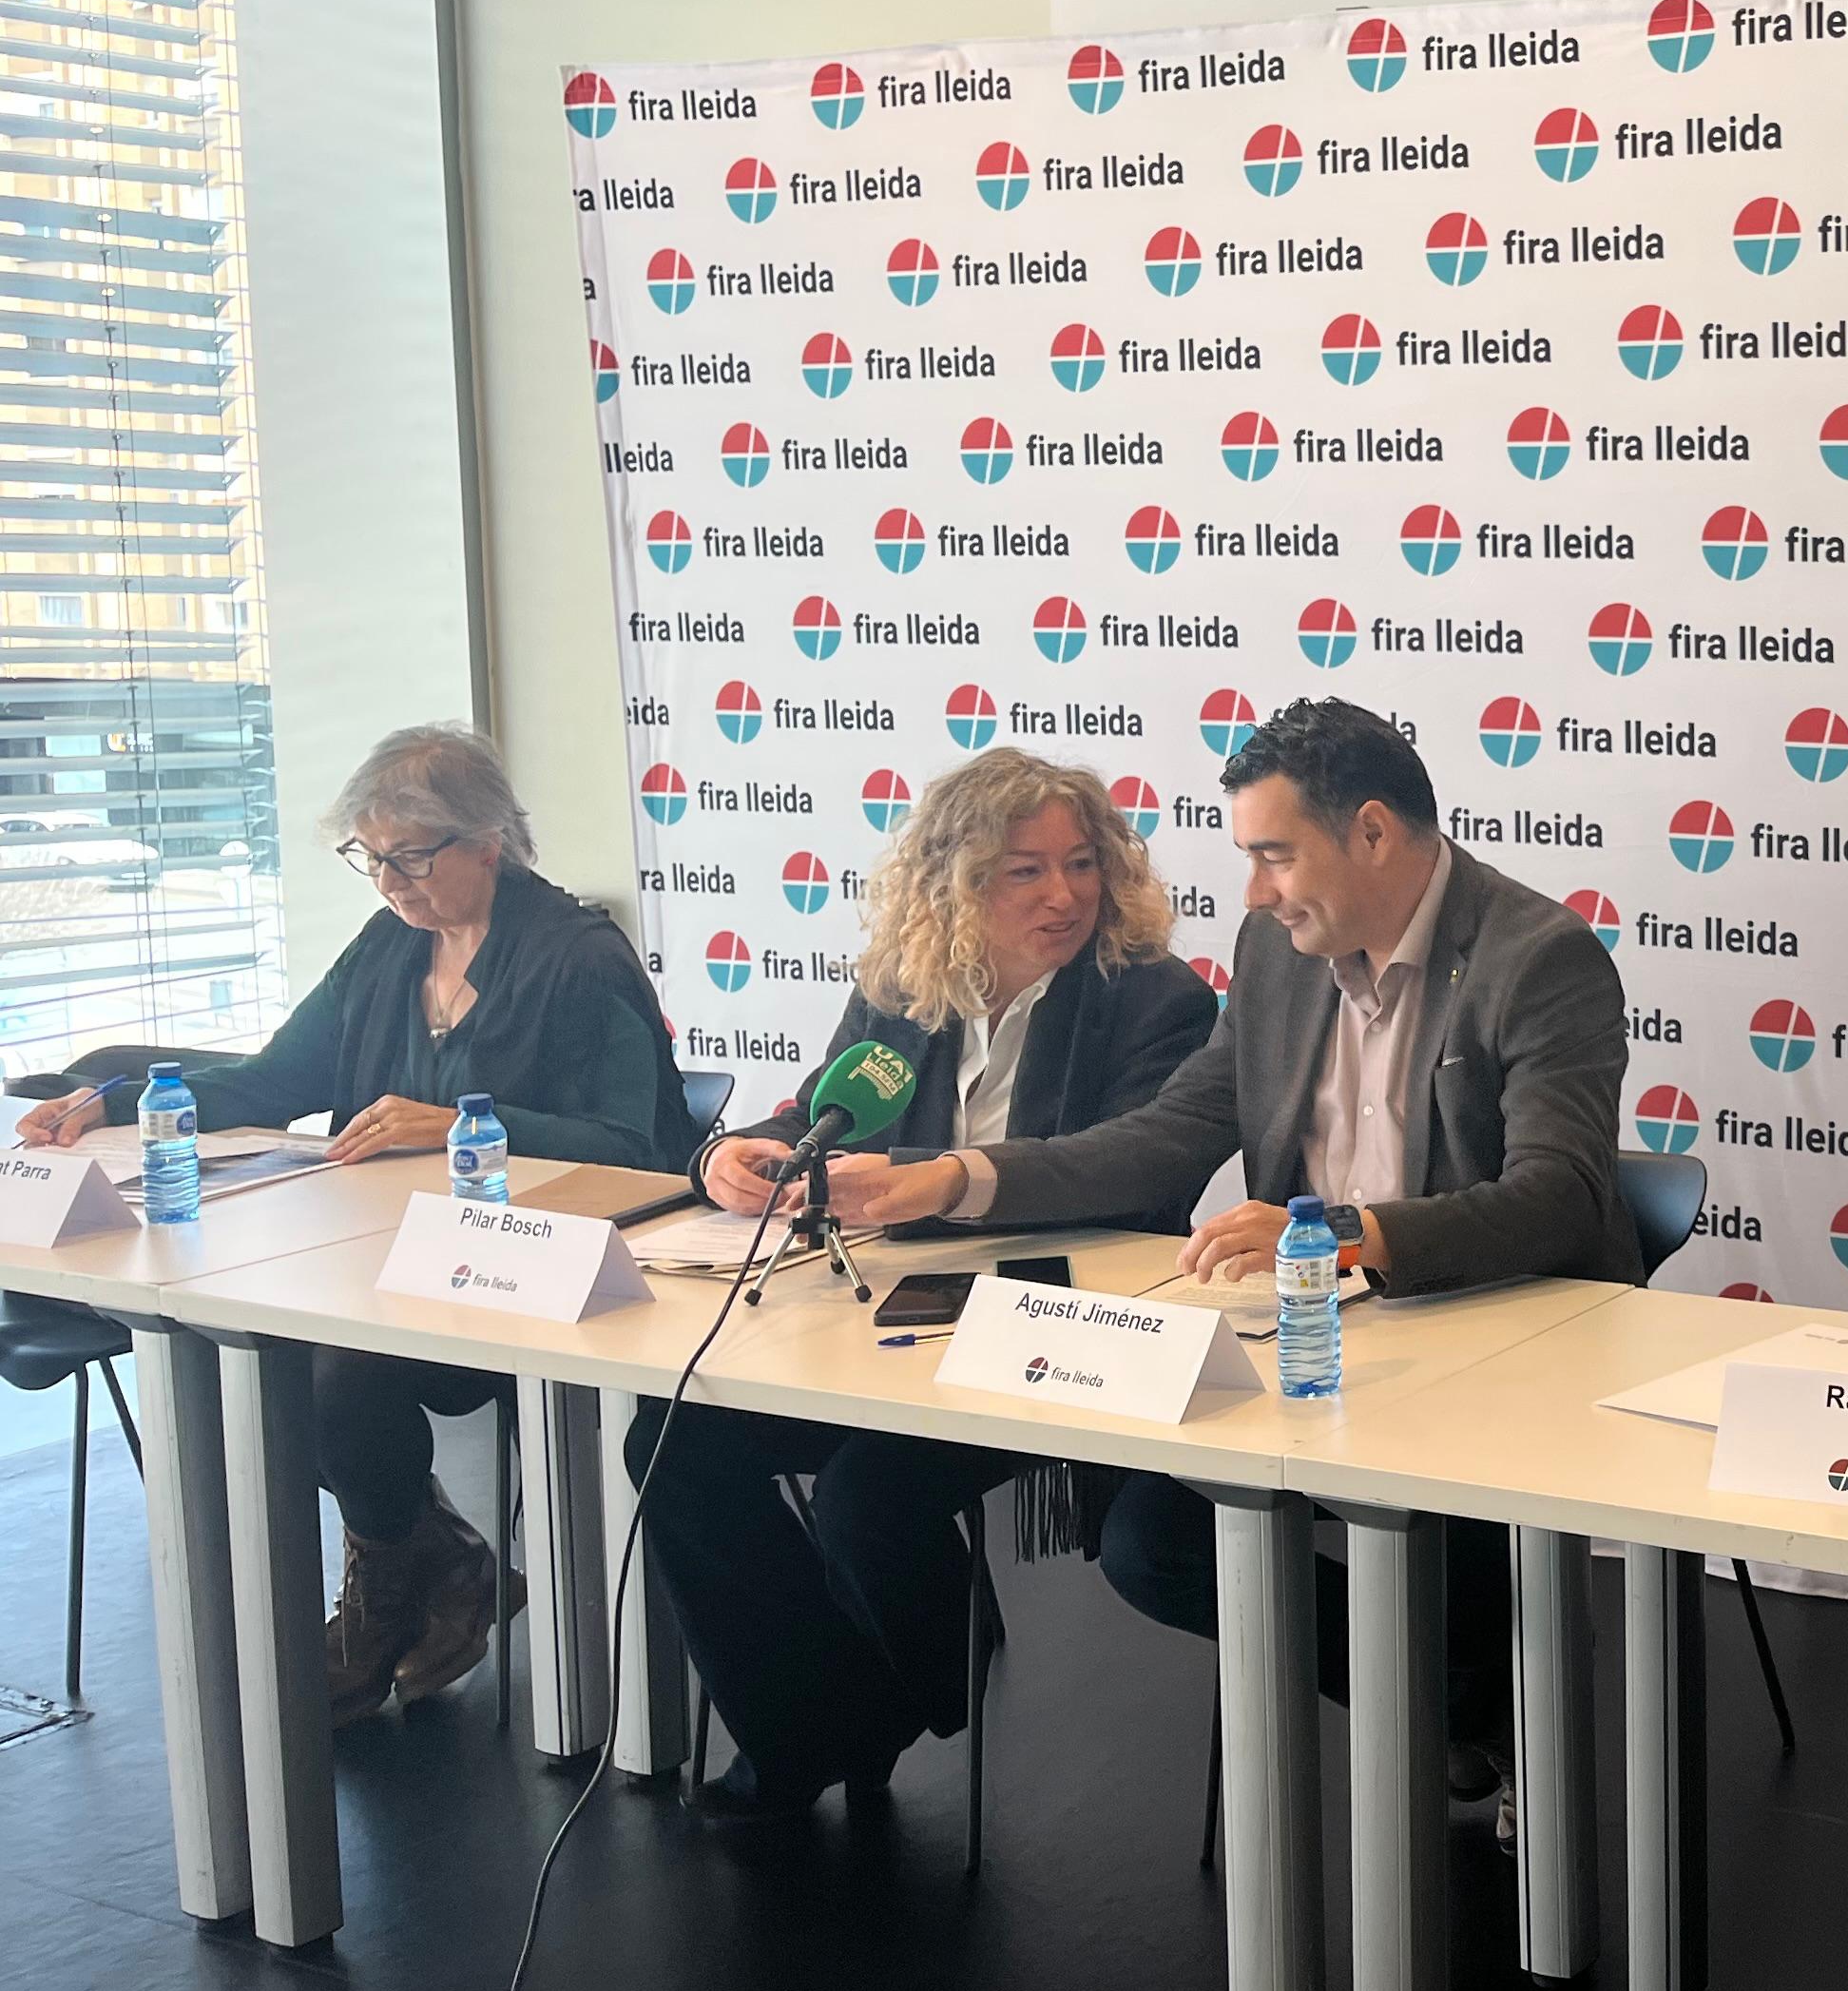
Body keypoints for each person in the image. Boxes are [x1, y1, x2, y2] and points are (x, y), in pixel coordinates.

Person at [819, 696, 1636, 1788]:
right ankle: (1460, 1700)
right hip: (1322, 1341)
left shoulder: (1537, 957)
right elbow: (1166, 1136)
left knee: (1459, 1553)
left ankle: (1487, 1708)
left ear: (1373, 833)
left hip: (1502, 1343)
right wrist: (962, 1175)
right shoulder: (1278, 951)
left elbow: (1561, 1196)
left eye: (1273, 856)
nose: (1253, 892)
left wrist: (1341, 1234)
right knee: (1149, 1543)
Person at [19, 724, 694, 1726]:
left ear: (487, 843)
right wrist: (112, 1102)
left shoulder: (577, 957)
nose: (388, 883)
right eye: (370, 858)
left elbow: (639, 1149)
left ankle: (404, 1569)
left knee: (327, 1370)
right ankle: (424, 1555)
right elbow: (274, 1081)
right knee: (255, 1349)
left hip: (538, 1272)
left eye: (410, 859)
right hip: (385, 1255)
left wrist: (465, 1123)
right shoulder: (389, 947)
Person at [626, 749, 1217, 1819]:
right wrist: (727, 1157)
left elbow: (1134, 1174)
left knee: (867, 1496)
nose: (1065, 895)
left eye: (1082, 864)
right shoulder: (903, 989)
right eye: (1025, 872)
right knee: (673, 1443)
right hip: (887, 1323)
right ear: (955, 883)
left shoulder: (1154, 999)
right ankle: (808, 1724)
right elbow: (815, 1117)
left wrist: (936, 1181)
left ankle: (906, 1689)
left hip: (1053, 1330)